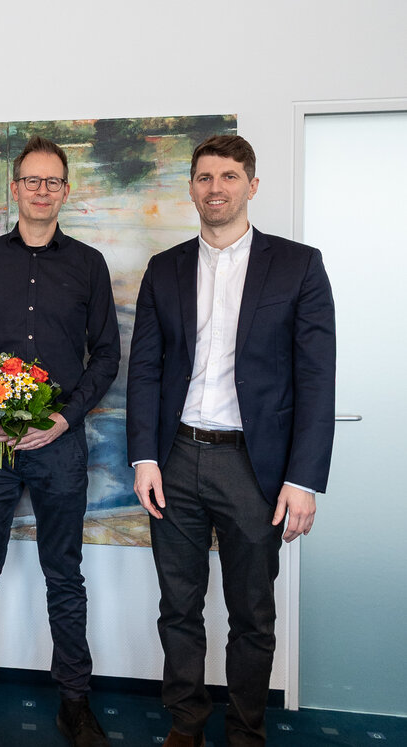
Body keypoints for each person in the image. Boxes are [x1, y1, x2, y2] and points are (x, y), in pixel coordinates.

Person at [126, 135, 336, 747]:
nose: (214, 187)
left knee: (252, 616)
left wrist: (304, 480)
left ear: (252, 184)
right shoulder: (163, 268)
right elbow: (144, 368)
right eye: (203, 177)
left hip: (256, 467)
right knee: (179, 609)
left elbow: (316, 379)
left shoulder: (298, 265)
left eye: (228, 175)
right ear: (191, 187)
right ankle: (185, 727)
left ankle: (246, 732)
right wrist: (144, 456)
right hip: (176, 459)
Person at [0, 135, 120, 747]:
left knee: (64, 574)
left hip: (60, 446)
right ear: (14, 189)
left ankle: (75, 699)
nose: (42, 191)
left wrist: (66, 418)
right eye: (31, 181)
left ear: (65, 191)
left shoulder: (89, 264)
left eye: (53, 182)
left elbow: (108, 357)